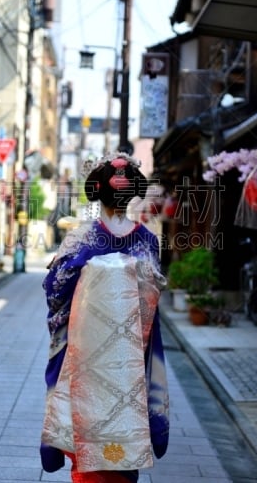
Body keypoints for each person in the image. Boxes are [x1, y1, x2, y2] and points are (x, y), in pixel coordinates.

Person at [40, 153, 170, 483]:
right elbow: (152, 298)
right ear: (132, 196)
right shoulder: (148, 242)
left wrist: (65, 270)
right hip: (130, 360)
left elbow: (55, 295)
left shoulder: (80, 239)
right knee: (122, 440)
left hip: (86, 358)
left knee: (87, 447)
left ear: (97, 194)